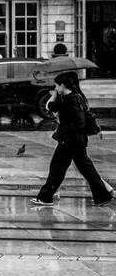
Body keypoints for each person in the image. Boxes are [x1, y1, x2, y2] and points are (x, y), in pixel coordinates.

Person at [33, 71, 112, 208]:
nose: (55, 88)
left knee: (57, 168)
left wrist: (54, 94)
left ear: (62, 85)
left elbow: (49, 106)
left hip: (68, 140)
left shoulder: (67, 100)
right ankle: (102, 196)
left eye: (57, 86)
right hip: (79, 139)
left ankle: (46, 198)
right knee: (86, 169)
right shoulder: (78, 97)